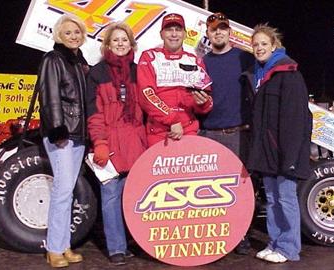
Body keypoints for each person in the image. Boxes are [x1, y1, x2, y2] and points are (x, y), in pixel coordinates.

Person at [241, 24, 312, 263]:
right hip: (267, 152)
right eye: (255, 44)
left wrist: (290, 158)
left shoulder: (288, 73)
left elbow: (296, 119)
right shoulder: (262, 75)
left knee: (285, 198)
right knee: (271, 199)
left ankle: (289, 248)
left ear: (274, 46)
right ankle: (275, 243)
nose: (259, 48)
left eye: (263, 44)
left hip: (284, 153)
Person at [86, 22, 147, 265]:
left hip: (135, 141)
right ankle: (116, 248)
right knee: (110, 195)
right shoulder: (97, 73)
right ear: (107, 45)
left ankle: (135, 242)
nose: (120, 44)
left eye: (124, 40)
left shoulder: (139, 71)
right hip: (109, 141)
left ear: (131, 44)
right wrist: (99, 142)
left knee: (134, 196)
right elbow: (94, 112)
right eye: (115, 40)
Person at [199, 12, 254, 255]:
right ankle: (216, 236)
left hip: (239, 133)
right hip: (209, 134)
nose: (218, 32)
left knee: (241, 189)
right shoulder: (202, 61)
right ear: (208, 33)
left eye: (222, 28)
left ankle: (242, 235)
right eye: (214, 29)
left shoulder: (245, 58)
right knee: (211, 192)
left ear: (229, 31)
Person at [37, 14, 89, 268]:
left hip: (78, 134)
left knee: (67, 191)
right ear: (59, 35)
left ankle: (64, 244)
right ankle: (54, 249)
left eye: (77, 32)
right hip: (63, 134)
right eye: (68, 33)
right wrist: (58, 130)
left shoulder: (79, 61)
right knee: (62, 191)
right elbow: (50, 96)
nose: (73, 36)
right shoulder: (53, 59)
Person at [137, 13, 213, 146]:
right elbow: (146, 95)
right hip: (158, 133)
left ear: (184, 34)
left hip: (188, 131)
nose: (174, 34)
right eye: (169, 30)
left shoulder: (195, 60)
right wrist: (172, 119)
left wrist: (203, 103)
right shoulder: (149, 57)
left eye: (178, 30)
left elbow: (206, 99)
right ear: (161, 34)